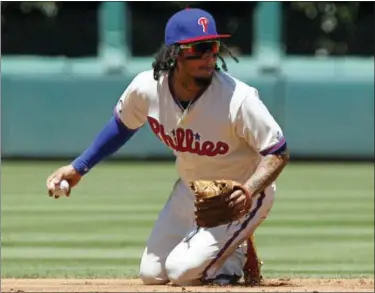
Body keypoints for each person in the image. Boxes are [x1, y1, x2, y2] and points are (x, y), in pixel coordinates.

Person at [46, 8, 289, 286]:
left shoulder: (239, 99)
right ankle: (230, 245)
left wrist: (249, 190)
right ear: (175, 53)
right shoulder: (147, 88)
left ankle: (233, 257)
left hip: (240, 195)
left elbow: (277, 152)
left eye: (213, 46)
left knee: (181, 272)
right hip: (191, 189)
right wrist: (78, 168)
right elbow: (122, 125)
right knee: (152, 274)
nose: (209, 56)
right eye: (199, 48)